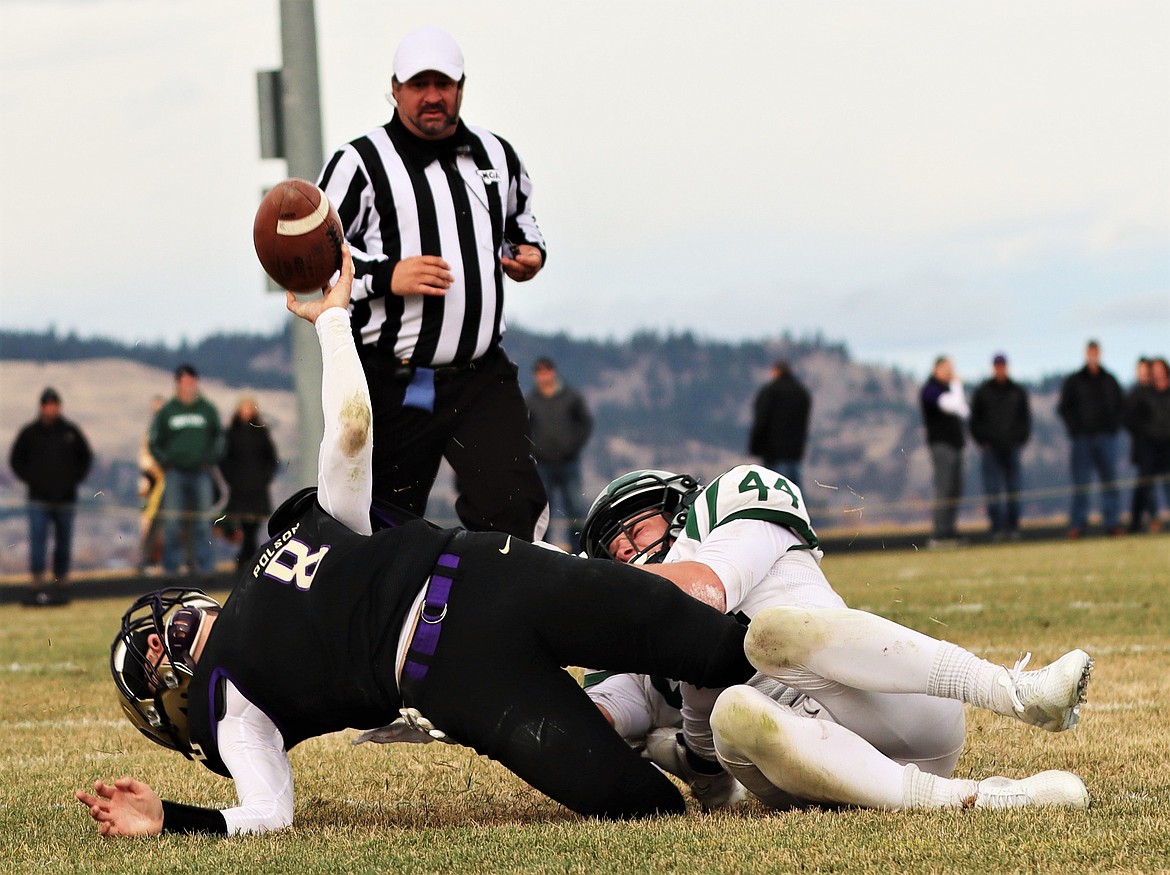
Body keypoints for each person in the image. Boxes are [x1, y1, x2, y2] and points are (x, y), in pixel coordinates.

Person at [74, 247, 762, 837]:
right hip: (458, 674)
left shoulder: (290, 532)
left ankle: (823, 694)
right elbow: (267, 811)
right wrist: (173, 819)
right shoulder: (230, 702)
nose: (174, 630)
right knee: (640, 806)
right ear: (167, 705)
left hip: (489, 568)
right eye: (158, 652)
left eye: (167, 622)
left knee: (718, 643)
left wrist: (335, 320)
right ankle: (692, 748)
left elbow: (348, 435)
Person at [578, 467, 1092, 812]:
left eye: (638, 531)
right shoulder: (629, 633)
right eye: (615, 552)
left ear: (680, 511)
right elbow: (603, 712)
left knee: (770, 634)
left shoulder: (729, 502)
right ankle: (977, 799)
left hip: (892, 706)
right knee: (734, 709)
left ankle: (1019, 693)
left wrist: (600, 597)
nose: (628, 554)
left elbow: (707, 589)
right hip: (801, 772)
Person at [317, 25, 548, 541]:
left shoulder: (496, 156)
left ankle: (506, 617)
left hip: (480, 376)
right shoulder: (359, 163)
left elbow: (521, 220)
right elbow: (316, 256)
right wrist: (386, 275)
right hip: (399, 380)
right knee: (382, 526)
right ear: (394, 90)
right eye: (418, 85)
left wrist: (531, 254)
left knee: (515, 509)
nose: (432, 97)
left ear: (461, 87)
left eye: (443, 84)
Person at [8, 387, 93, 606]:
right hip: (38, 498)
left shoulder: (70, 431)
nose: (51, 409)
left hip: (65, 498)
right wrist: (32, 479)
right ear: (42, 407)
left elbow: (85, 458)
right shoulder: (30, 433)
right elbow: (16, 460)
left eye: (54, 405)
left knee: (63, 541)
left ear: (58, 407)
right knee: (38, 540)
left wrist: (72, 480)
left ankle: (60, 578)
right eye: (47, 405)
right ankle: (37, 578)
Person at [148, 364, 224, 576]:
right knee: (172, 523)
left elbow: (219, 437)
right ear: (177, 384)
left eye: (192, 382)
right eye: (184, 382)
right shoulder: (167, 411)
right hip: (175, 474)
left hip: (202, 473)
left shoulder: (207, 410)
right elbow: (155, 442)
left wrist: (210, 458)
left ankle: (206, 569)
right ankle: (170, 569)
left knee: (202, 522)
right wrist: (166, 461)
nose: (188, 386)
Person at [1057, 340, 1124, 538]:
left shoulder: (1109, 379)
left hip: (1105, 438)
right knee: (1081, 484)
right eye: (1090, 353)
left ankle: (1112, 523)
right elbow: (1064, 408)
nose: (1093, 356)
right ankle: (1078, 524)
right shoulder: (1075, 381)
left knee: (1110, 482)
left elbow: (1120, 406)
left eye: (1096, 353)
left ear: (1100, 354)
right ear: (1086, 354)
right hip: (1082, 440)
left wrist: (1112, 428)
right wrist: (1075, 431)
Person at [525, 357, 593, 547]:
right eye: (540, 372)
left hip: (569, 462)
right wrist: (534, 450)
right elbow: (523, 430)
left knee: (576, 508)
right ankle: (543, 548)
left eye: (546, 371)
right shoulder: (530, 401)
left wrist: (573, 446)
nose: (544, 376)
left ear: (553, 372)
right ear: (535, 375)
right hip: (542, 465)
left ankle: (579, 548)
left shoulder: (571, 397)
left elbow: (585, 424)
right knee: (543, 511)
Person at [968, 353, 1031, 540]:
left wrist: (1019, 440)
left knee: (1014, 489)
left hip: (1012, 448)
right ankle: (996, 528)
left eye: (1002, 365)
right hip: (991, 450)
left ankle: (1013, 528)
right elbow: (975, 421)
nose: (1000, 369)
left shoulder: (1017, 391)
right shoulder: (983, 392)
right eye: (997, 365)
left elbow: (1025, 419)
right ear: (993, 367)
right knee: (992, 490)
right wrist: (983, 442)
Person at [218, 397, 280, 567]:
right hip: (239, 487)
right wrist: (232, 478)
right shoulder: (231, 433)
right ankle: (250, 557)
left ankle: (247, 557)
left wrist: (265, 477)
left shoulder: (261, 432)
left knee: (254, 524)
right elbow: (224, 459)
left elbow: (272, 458)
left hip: (258, 486)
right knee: (244, 524)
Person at [920, 356, 969, 546]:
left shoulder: (947, 389)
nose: (951, 372)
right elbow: (953, 406)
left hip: (955, 444)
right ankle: (940, 533)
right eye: (947, 368)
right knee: (944, 487)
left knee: (955, 488)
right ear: (937, 369)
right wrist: (957, 385)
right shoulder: (931, 389)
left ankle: (950, 530)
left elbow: (964, 411)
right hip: (941, 446)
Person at [748, 360, 812, 489]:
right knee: (795, 493)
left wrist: (755, 447)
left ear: (776, 371)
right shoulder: (801, 394)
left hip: (773, 454)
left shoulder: (770, 392)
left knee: (776, 492)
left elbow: (761, 421)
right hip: (795, 452)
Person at [1124, 356, 1170, 533]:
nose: (1158, 373)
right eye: (1154, 370)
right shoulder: (1142, 393)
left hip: (1168, 447)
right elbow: (1128, 417)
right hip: (1148, 447)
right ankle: (1149, 521)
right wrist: (1144, 432)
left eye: (1161, 369)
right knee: (1146, 487)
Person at [137, 395, 167, 574]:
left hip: (167, 483)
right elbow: (144, 460)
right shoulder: (149, 435)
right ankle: (148, 560)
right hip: (152, 485)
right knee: (149, 525)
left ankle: (165, 560)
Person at [1123, 357, 1154, 532]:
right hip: (1143, 447)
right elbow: (1127, 419)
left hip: (1162, 447)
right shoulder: (1134, 394)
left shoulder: (1156, 391)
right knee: (1144, 485)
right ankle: (1137, 522)